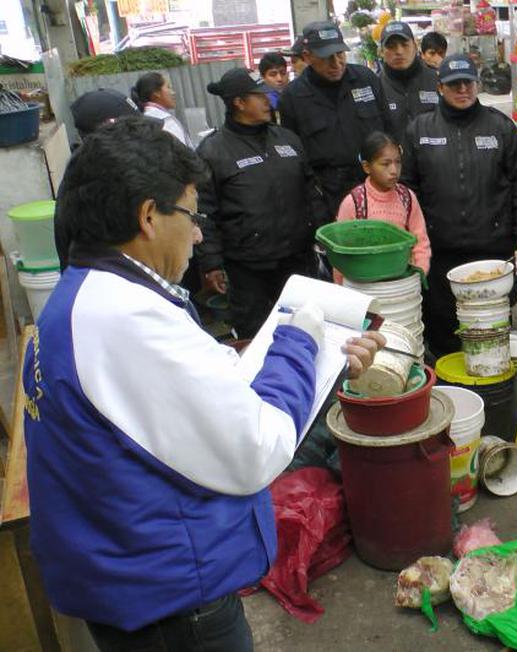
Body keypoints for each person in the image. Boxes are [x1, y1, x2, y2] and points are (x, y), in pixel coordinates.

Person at [24, 116, 382, 650]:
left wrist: (319, 369)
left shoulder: (84, 297)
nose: (197, 233)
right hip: (171, 606)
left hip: (128, 582)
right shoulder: (124, 319)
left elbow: (193, 401)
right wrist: (301, 341)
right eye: (191, 215)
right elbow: (256, 449)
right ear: (149, 215)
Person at [401, 53, 517, 358]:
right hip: (439, 255)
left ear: (477, 84)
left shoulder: (500, 127)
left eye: (468, 82)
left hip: (492, 253)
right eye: (454, 84)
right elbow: (407, 193)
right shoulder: (419, 130)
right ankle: (452, 397)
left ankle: (495, 397)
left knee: (491, 333)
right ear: (440, 88)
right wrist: (412, 245)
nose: (462, 89)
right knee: (444, 335)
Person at [196, 68, 326, 339]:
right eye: (260, 96)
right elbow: (205, 212)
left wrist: (322, 234)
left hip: (296, 262)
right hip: (247, 268)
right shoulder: (214, 150)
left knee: (303, 330)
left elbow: (311, 191)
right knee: (255, 336)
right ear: (239, 103)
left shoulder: (287, 139)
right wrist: (211, 263)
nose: (269, 101)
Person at [279, 21, 392, 220]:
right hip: (328, 196)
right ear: (307, 57)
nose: (336, 63)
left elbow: (388, 129)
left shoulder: (366, 79)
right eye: (326, 57)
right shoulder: (293, 97)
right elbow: (294, 158)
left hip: (373, 185)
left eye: (340, 54)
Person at [57, 89, 142, 270]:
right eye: (132, 130)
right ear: (107, 133)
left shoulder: (91, 168)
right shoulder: (93, 185)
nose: (141, 138)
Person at [335, 131, 431, 283]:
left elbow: (420, 242)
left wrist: (419, 274)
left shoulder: (407, 198)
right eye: (385, 164)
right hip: (365, 288)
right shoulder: (354, 202)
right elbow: (340, 253)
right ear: (367, 167)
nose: (394, 171)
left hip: (402, 284)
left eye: (398, 162)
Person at [378, 21, 439, 143]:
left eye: (405, 45)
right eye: (391, 46)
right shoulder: (376, 86)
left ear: (416, 46)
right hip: (394, 160)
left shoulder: (437, 80)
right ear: (381, 52)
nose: (399, 51)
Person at [131, 71, 193, 148]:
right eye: (168, 87)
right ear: (156, 93)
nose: (173, 92)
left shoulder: (153, 118)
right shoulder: (160, 121)